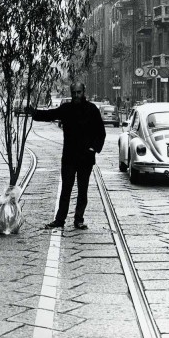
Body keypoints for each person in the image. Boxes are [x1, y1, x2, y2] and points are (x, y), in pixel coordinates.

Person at [30, 82, 106, 230]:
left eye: (79, 92)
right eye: (74, 93)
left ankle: (79, 219)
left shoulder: (92, 109)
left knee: (82, 191)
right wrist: (33, 113)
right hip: (69, 157)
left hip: (86, 158)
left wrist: (94, 148)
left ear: (83, 92)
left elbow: (101, 132)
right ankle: (60, 219)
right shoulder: (66, 109)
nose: (76, 95)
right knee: (66, 190)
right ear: (71, 93)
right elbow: (50, 115)